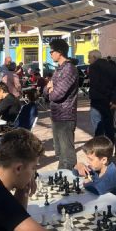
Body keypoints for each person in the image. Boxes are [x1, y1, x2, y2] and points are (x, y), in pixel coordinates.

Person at [43, 38, 79, 169]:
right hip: (56, 116)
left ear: (60, 52)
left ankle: (69, 182)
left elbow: (56, 95)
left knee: (67, 156)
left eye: (52, 51)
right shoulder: (59, 69)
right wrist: (49, 89)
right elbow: (45, 91)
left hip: (65, 116)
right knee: (60, 153)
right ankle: (62, 176)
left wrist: (50, 90)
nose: (50, 54)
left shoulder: (69, 69)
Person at [87, 49, 116, 141]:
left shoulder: (93, 67)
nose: (88, 60)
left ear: (94, 57)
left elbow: (96, 84)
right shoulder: (112, 66)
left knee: (98, 126)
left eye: (89, 58)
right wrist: (113, 99)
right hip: (110, 102)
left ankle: (100, 148)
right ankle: (110, 148)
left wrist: (107, 96)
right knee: (109, 126)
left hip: (97, 101)